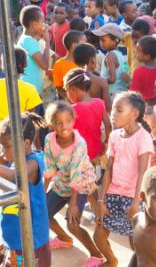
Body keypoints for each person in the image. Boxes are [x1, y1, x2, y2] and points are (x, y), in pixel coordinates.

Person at [94, 92, 154, 267]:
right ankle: (112, 261)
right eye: (113, 109)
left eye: (119, 110)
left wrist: (136, 202)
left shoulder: (143, 138)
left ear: (134, 114)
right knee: (98, 235)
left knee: (136, 242)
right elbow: (109, 169)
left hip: (132, 197)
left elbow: (143, 172)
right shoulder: (114, 136)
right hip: (113, 194)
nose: (113, 113)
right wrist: (100, 199)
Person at [43, 101, 104, 265]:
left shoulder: (79, 143)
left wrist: (73, 204)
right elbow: (49, 168)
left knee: (73, 224)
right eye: (58, 122)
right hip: (62, 181)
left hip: (81, 183)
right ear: (51, 125)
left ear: (73, 120)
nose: (64, 126)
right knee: (42, 213)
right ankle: (64, 239)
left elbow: (77, 174)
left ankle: (96, 255)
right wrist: (42, 193)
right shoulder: (49, 139)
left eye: (68, 121)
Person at [0, 113, 50, 267]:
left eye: (6, 146)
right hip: (15, 236)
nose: (3, 151)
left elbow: (13, 175)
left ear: (26, 143)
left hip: (32, 240)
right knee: (16, 264)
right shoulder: (14, 159)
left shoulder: (34, 163)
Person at [63, 68, 111, 167]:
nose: (67, 95)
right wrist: (107, 141)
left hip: (79, 155)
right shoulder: (99, 102)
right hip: (97, 151)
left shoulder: (71, 110)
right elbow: (108, 124)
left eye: (67, 91)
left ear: (73, 89)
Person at [0, 48, 42, 122]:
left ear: (3, 64)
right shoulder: (30, 89)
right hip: (21, 131)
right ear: (24, 64)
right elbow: (33, 122)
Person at [17, 5, 49, 95]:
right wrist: (47, 42)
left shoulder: (26, 39)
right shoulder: (28, 41)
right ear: (34, 24)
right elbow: (45, 65)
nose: (44, 24)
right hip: (31, 91)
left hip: (31, 89)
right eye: (42, 21)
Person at [92, 24, 130, 99]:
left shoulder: (110, 56)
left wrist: (96, 80)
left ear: (115, 41)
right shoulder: (119, 54)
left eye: (103, 40)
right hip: (120, 92)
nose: (100, 42)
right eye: (100, 40)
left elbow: (112, 79)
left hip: (112, 94)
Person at [72, 43, 112, 113]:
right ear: (93, 60)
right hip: (97, 118)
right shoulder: (101, 81)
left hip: (78, 116)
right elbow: (108, 108)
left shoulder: (71, 79)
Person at [52, 30, 85, 99]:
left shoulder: (84, 63)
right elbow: (58, 87)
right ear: (74, 46)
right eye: (84, 44)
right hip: (66, 102)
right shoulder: (59, 64)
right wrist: (69, 99)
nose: (86, 46)